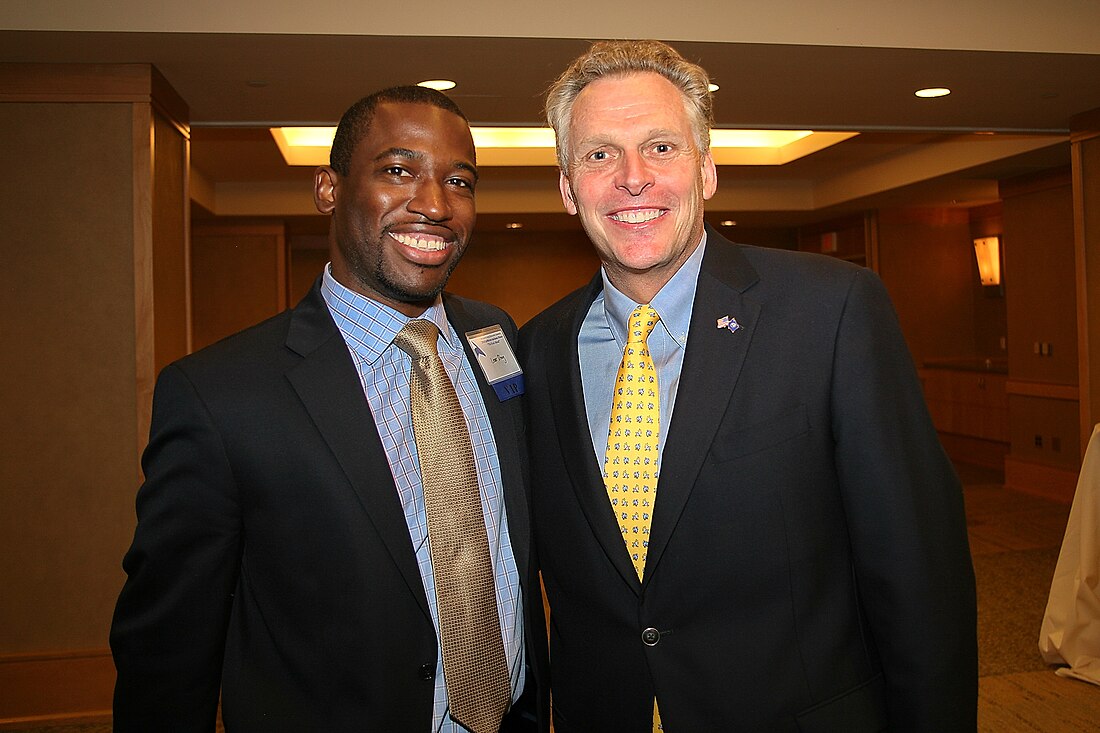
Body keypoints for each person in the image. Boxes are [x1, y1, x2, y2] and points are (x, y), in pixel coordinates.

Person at [519, 40, 977, 731]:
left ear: (706, 171)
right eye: (599, 154)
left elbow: (918, 575)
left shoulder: (832, 311)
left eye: (662, 148)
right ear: (566, 186)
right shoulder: (538, 347)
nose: (632, 178)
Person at [111, 86, 545, 732]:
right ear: (329, 190)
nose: (434, 204)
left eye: (459, 180)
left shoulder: (496, 339)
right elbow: (166, 662)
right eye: (399, 171)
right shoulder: (220, 398)